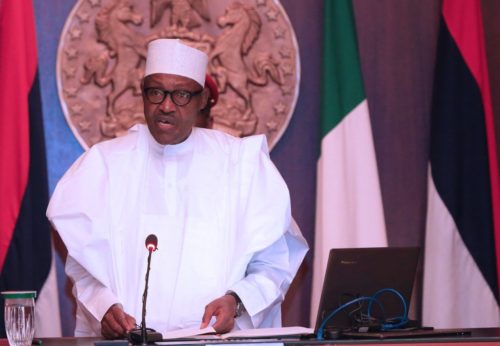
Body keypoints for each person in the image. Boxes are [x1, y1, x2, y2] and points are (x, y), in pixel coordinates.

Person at [47, 39, 308, 339]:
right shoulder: (105, 164)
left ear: (202, 99)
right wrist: (103, 307)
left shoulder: (243, 165)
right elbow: (83, 264)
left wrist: (236, 301)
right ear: (143, 94)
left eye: (181, 94)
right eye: (156, 92)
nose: (166, 106)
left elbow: (275, 262)